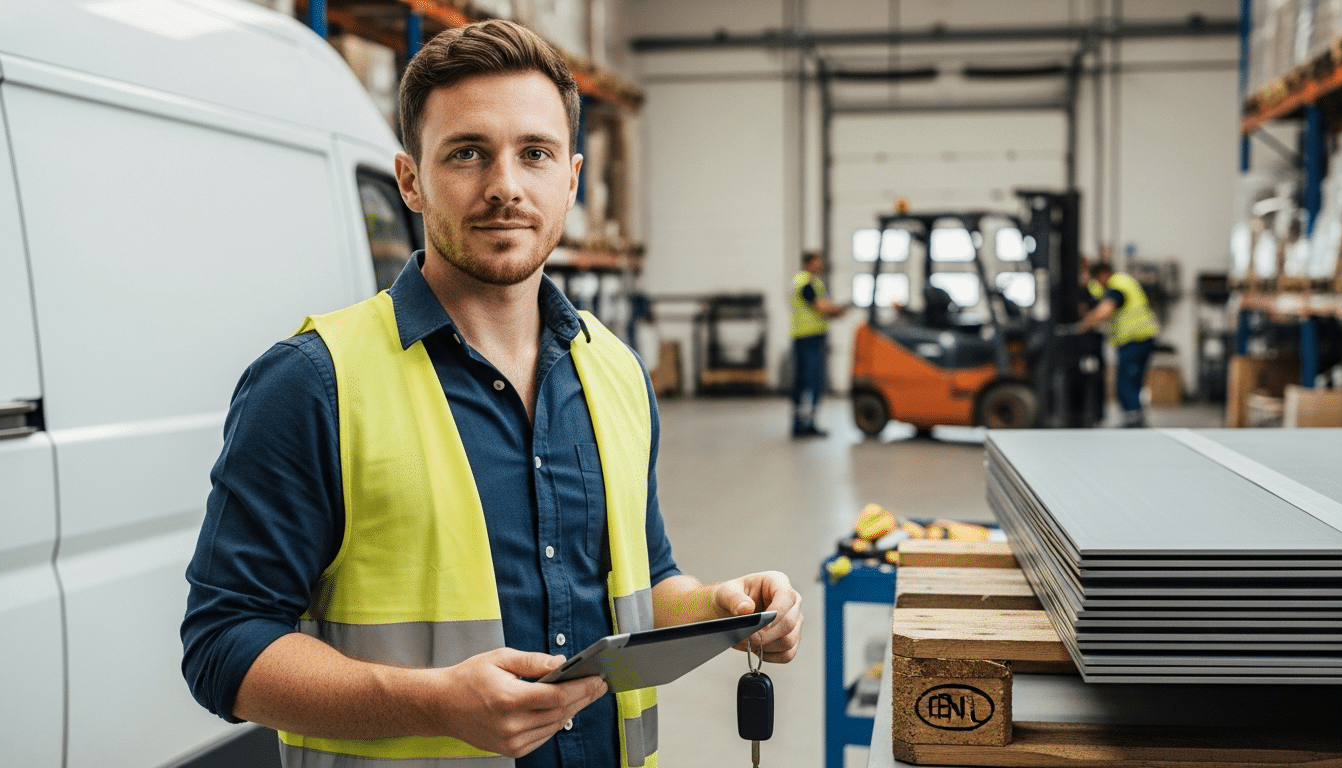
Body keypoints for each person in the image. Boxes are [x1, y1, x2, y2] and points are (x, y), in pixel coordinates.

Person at [180, 19, 803, 768]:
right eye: (468, 152)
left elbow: (646, 581)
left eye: (533, 154)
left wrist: (720, 609)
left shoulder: (616, 372)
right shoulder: (314, 384)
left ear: (569, 179)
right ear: (411, 179)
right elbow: (222, 646)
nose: (505, 185)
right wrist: (431, 702)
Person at [1076, 261, 1160, 427]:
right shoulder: (1116, 283)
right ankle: (1133, 420)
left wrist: (1084, 324)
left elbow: (1107, 308)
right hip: (1137, 339)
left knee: (1126, 383)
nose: (1096, 283)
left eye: (1096, 279)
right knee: (1131, 381)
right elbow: (1095, 297)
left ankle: (1135, 423)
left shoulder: (1119, 284)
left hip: (1136, 339)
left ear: (1104, 275)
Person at [790, 251, 846, 437]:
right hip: (808, 338)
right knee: (810, 380)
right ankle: (804, 424)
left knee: (806, 381)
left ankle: (804, 423)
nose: (821, 265)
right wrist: (837, 310)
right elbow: (820, 306)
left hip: (809, 337)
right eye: (817, 262)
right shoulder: (805, 282)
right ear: (809, 263)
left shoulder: (811, 281)